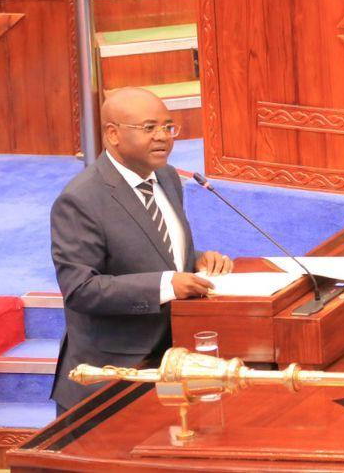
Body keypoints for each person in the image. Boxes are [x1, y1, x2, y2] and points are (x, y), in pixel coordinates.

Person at [50, 87, 232, 411]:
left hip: (171, 361)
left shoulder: (166, 177)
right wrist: (167, 284)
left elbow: (152, 246)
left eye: (168, 126)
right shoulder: (81, 199)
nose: (163, 137)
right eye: (149, 128)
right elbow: (80, 289)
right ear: (113, 134)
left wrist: (196, 260)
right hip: (111, 377)